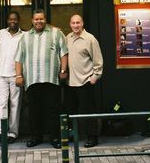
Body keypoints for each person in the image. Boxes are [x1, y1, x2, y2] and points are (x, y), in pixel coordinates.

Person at [15, 9, 68, 149]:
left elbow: (63, 53)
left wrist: (63, 70)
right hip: (32, 79)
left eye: (41, 19)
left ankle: (55, 137)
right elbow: (18, 58)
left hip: (51, 79)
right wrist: (19, 75)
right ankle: (35, 137)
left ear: (46, 20)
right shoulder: (25, 37)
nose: (39, 21)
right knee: (34, 110)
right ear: (32, 21)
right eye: (36, 19)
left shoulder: (57, 33)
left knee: (53, 110)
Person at [65, 14, 103, 148]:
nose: (76, 25)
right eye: (73, 23)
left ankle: (92, 137)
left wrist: (94, 77)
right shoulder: (67, 38)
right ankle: (72, 135)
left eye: (78, 23)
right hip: (70, 82)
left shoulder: (90, 39)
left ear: (82, 23)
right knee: (71, 112)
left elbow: (98, 61)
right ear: (70, 24)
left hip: (85, 81)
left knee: (88, 112)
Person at [0, 11, 24, 143]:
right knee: (2, 104)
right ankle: (0, 131)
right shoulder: (1, 33)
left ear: (19, 21)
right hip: (1, 74)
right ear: (7, 21)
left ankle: (12, 133)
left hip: (16, 75)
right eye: (11, 19)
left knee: (15, 105)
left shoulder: (24, 35)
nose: (13, 21)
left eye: (15, 19)